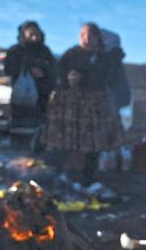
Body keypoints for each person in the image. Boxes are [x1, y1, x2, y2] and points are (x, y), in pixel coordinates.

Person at [43, 23, 123, 187]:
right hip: (69, 106)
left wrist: (83, 78)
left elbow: (105, 76)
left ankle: (89, 180)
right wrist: (66, 78)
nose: (85, 38)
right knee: (64, 141)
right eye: (82, 34)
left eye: (89, 35)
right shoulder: (71, 53)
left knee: (92, 144)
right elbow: (58, 70)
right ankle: (58, 177)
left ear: (96, 37)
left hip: (94, 106)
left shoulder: (104, 57)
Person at [3, 21, 56, 131]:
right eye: (30, 34)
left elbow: (54, 69)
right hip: (22, 95)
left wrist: (44, 73)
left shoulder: (45, 51)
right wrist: (28, 69)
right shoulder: (15, 51)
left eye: (36, 34)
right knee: (20, 125)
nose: (34, 37)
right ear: (23, 34)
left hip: (42, 96)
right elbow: (8, 69)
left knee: (40, 126)